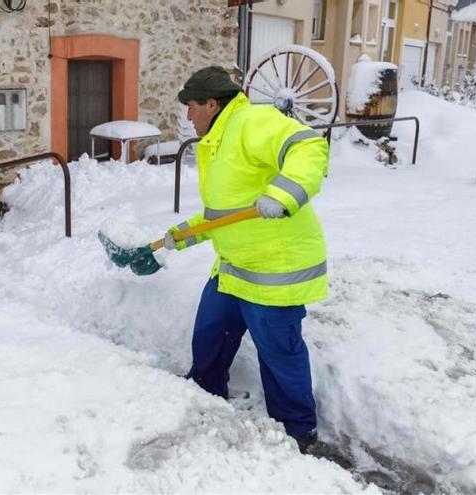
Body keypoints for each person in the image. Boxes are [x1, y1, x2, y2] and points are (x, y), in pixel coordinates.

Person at [166, 66, 329, 454]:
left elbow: (308, 146)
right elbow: (225, 212)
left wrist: (284, 194)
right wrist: (182, 236)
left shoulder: (251, 121)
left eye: (192, 106)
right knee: (209, 336)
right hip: (233, 268)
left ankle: (297, 431)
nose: (188, 115)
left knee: (279, 355)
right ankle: (205, 394)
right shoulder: (216, 141)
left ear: (212, 103)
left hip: (274, 269)